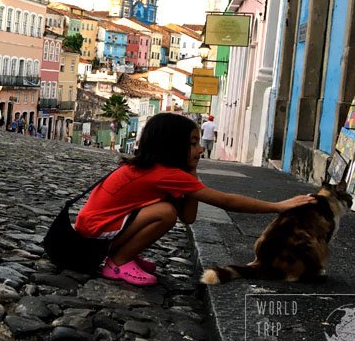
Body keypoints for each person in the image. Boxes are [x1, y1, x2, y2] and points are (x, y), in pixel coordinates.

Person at [74, 112, 316, 286]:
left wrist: (191, 173)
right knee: (165, 212)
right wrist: (278, 206)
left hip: (94, 229)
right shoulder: (163, 173)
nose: (200, 149)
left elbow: (188, 217)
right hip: (93, 234)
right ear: (171, 147)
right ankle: (117, 261)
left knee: (166, 210)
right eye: (192, 144)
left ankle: (123, 253)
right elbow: (226, 201)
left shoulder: (158, 170)